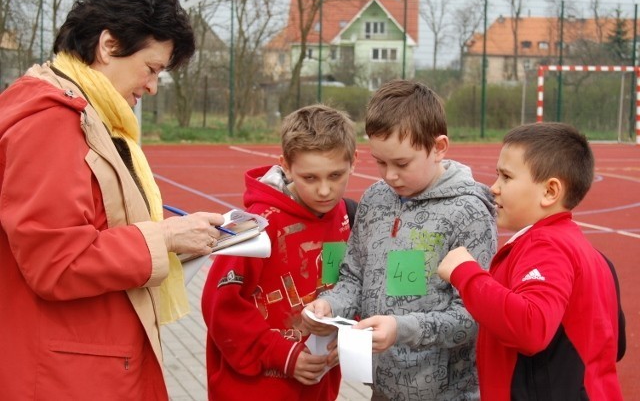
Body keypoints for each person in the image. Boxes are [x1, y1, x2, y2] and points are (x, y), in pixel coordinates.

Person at [0, 0, 226, 400]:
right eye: (152, 68)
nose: (153, 86)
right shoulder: (51, 122)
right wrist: (165, 237)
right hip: (68, 373)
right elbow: (56, 260)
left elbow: (94, 228)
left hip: (82, 360)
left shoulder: (85, 115)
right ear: (108, 45)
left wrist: (178, 241)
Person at [302, 80, 497, 400]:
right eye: (380, 162)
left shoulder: (469, 214)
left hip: (448, 394)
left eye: (402, 164)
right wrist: (329, 305)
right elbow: (353, 277)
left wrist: (401, 329)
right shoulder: (375, 199)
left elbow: (474, 317)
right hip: (382, 389)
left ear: (439, 148)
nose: (389, 176)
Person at [437, 122, 624, 400]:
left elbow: (531, 327)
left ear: (550, 192)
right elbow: (615, 344)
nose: (494, 188)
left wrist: (466, 273)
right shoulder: (595, 257)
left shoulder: (545, 245)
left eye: (506, 177)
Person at [201, 104, 358, 400]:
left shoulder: (349, 218)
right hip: (253, 389)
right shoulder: (258, 224)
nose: (325, 190)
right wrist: (282, 354)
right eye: (310, 178)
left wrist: (347, 339)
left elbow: (349, 287)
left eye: (335, 175)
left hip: (315, 385)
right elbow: (219, 305)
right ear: (285, 165)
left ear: (354, 162)